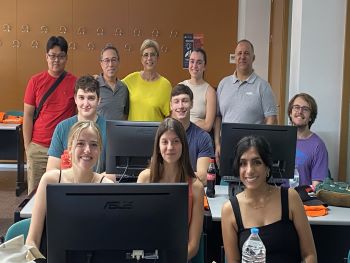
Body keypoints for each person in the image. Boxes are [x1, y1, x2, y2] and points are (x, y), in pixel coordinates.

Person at [221, 135, 317, 263]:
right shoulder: (230, 210)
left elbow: (309, 255)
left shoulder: (290, 198)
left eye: (257, 162)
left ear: (267, 167)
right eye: (243, 164)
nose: (249, 170)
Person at [26, 121, 114, 256]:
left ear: (100, 150)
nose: (87, 150)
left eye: (94, 145)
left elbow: (112, 242)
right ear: (70, 147)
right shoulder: (50, 181)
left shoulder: (108, 186)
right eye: (80, 143)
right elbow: (32, 239)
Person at [137, 118, 204, 260]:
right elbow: (139, 231)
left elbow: (193, 245)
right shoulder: (144, 179)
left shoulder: (196, 187)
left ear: (183, 145)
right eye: (165, 142)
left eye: (175, 141)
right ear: (158, 147)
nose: (170, 147)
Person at [23, 36, 77, 194]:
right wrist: (28, 148)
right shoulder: (35, 81)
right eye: (52, 56)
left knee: (62, 194)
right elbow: (27, 115)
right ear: (46, 56)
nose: (56, 60)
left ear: (66, 58)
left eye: (61, 56)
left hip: (64, 150)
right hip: (38, 148)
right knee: (35, 195)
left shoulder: (74, 82)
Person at [215, 39, 277, 163]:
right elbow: (218, 117)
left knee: (250, 181)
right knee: (226, 181)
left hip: (253, 151)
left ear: (253, 58)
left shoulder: (263, 86)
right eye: (239, 53)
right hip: (227, 148)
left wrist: (262, 147)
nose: (242, 57)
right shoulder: (223, 84)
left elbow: (271, 119)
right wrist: (217, 144)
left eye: (246, 53)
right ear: (235, 57)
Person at [46, 75, 107, 174]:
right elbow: (52, 170)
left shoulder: (109, 129)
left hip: (99, 187)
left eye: (91, 98)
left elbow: (113, 174)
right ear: (75, 99)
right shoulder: (62, 128)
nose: (86, 103)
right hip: (68, 186)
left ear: (99, 100)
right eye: (81, 98)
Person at [170, 84, 214, 185]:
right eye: (176, 101)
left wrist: (169, 177)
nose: (180, 106)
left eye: (185, 101)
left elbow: (203, 177)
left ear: (192, 104)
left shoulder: (203, 137)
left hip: (193, 192)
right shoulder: (162, 136)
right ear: (171, 105)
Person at [122, 39, 172, 121]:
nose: (149, 58)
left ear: (157, 58)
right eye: (145, 55)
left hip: (156, 133)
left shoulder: (165, 85)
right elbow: (113, 85)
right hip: (131, 133)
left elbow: (169, 116)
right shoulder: (130, 79)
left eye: (152, 55)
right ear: (141, 59)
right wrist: (98, 78)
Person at [288, 93, 328, 187]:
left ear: (311, 117)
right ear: (290, 113)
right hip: (276, 196)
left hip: (303, 199)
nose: (300, 111)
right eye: (296, 107)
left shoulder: (318, 145)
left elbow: (316, 186)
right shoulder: (279, 139)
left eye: (305, 109)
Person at [179, 48, 216, 132]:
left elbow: (208, 126)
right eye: (192, 61)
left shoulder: (210, 92)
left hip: (199, 137)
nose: (194, 66)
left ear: (204, 66)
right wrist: (198, 122)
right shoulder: (181, 86)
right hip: (180, 135)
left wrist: (184, 123)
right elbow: (174, 119)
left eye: (199, 62)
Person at [96, 44, 129, 120]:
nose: (110, 64)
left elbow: (125, 115)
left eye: (114, 60)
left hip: (119, 132)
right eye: (106, 60)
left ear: (118, 62)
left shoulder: (124, 88)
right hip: (98, 131)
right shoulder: (93, 86)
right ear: (101, 64)